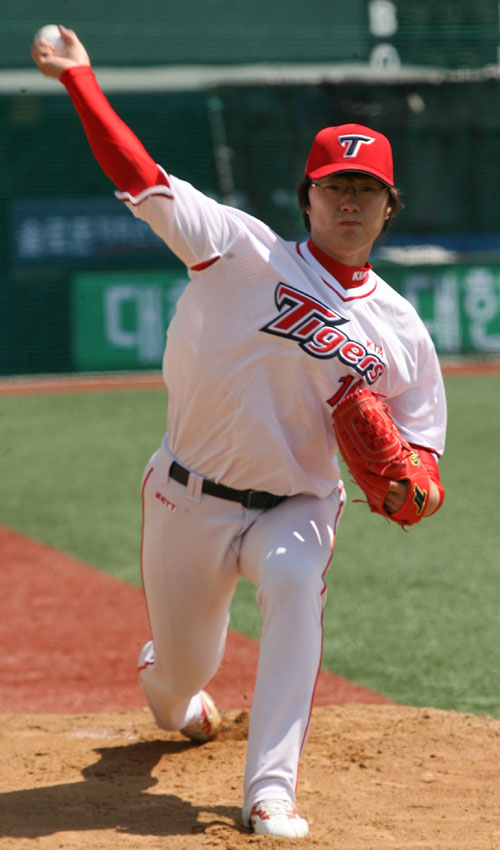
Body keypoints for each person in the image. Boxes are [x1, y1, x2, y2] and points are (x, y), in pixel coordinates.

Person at [31, 26, 446, 839]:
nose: (350, 201)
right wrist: (80, 78)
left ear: (390, 206)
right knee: (183, 675)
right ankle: (170, 683)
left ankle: (269, 792)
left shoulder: (402, 328)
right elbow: (140, 178)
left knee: (295, 584)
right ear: (307, 198)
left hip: (298, 502)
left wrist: (415, 485)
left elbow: (423, 445)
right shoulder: (236, 249)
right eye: (335, 186)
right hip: (188, 497)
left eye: (366, 189)